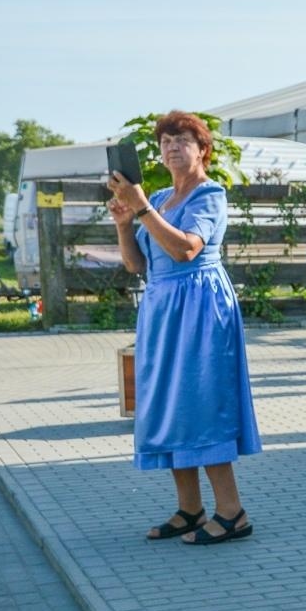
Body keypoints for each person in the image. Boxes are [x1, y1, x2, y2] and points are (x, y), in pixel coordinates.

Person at [107, 111, 261, 545]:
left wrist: (139, 208)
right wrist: (125, 224)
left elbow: (185, 250)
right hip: (161, 307)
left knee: (201, 400)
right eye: (165, 141)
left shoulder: (210, 195)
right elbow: (139, 265)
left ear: (202, 150)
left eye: (182, 140)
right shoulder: (158, 198)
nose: (171, 147)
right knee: (169, 402)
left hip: (200, 305)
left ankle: (232, 513)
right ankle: (190, 508)